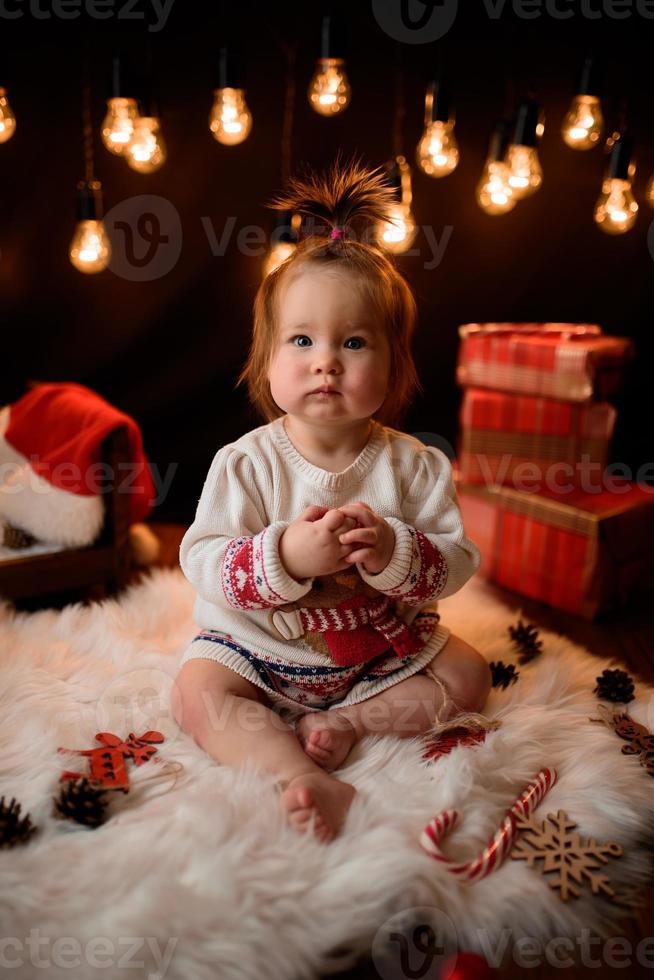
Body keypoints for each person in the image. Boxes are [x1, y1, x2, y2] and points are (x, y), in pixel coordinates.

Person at [172, 158, 491, 843]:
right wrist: (283, 554)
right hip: (256, 653)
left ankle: (344, 726)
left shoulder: (415, 465)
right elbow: (200, 558)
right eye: (302, 340)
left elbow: (457, 561)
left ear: (395, 364)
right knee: (196, 694)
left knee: (468, 674)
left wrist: (392, 553)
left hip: (379, 658)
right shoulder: (246, 463)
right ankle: (298, 774)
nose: (326, 361)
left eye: (353, 342)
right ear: (265, 360)